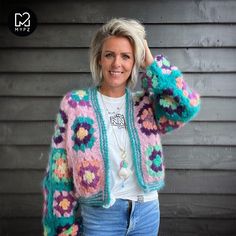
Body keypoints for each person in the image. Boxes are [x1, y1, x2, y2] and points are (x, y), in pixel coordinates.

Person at [42, 18, 201, 236]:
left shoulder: (146, 104)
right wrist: (62, 227)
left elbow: (187, 106)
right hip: (100, 218)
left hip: (146, 213)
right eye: (110, 55)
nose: (117, 64)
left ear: (135, 61)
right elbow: (59, 171)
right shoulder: (76, 105)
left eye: (126, 56)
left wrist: (152, 64)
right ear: (99, 59)